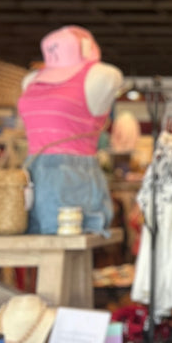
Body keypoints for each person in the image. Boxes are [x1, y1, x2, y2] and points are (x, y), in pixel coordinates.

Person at [17, 25, 122, 233]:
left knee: (69, 254)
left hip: (73, 181)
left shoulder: (101, 76)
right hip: (31, 177)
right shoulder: (30, 80)